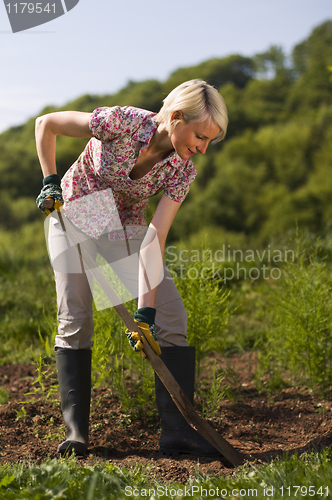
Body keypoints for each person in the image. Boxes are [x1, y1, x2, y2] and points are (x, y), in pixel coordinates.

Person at [35, 79, 228, 458]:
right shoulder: (122, 123)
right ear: (175, 117)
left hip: (121, 225)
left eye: (210, 142)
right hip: (74, 212)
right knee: (75, 314)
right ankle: (77, 435)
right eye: (200, 137)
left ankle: (179, 434)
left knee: (171, 314)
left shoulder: (181, 170)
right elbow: (47, 124)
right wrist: (50, 181)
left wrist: (145, 312)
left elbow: (154, 239)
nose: (203, 150)